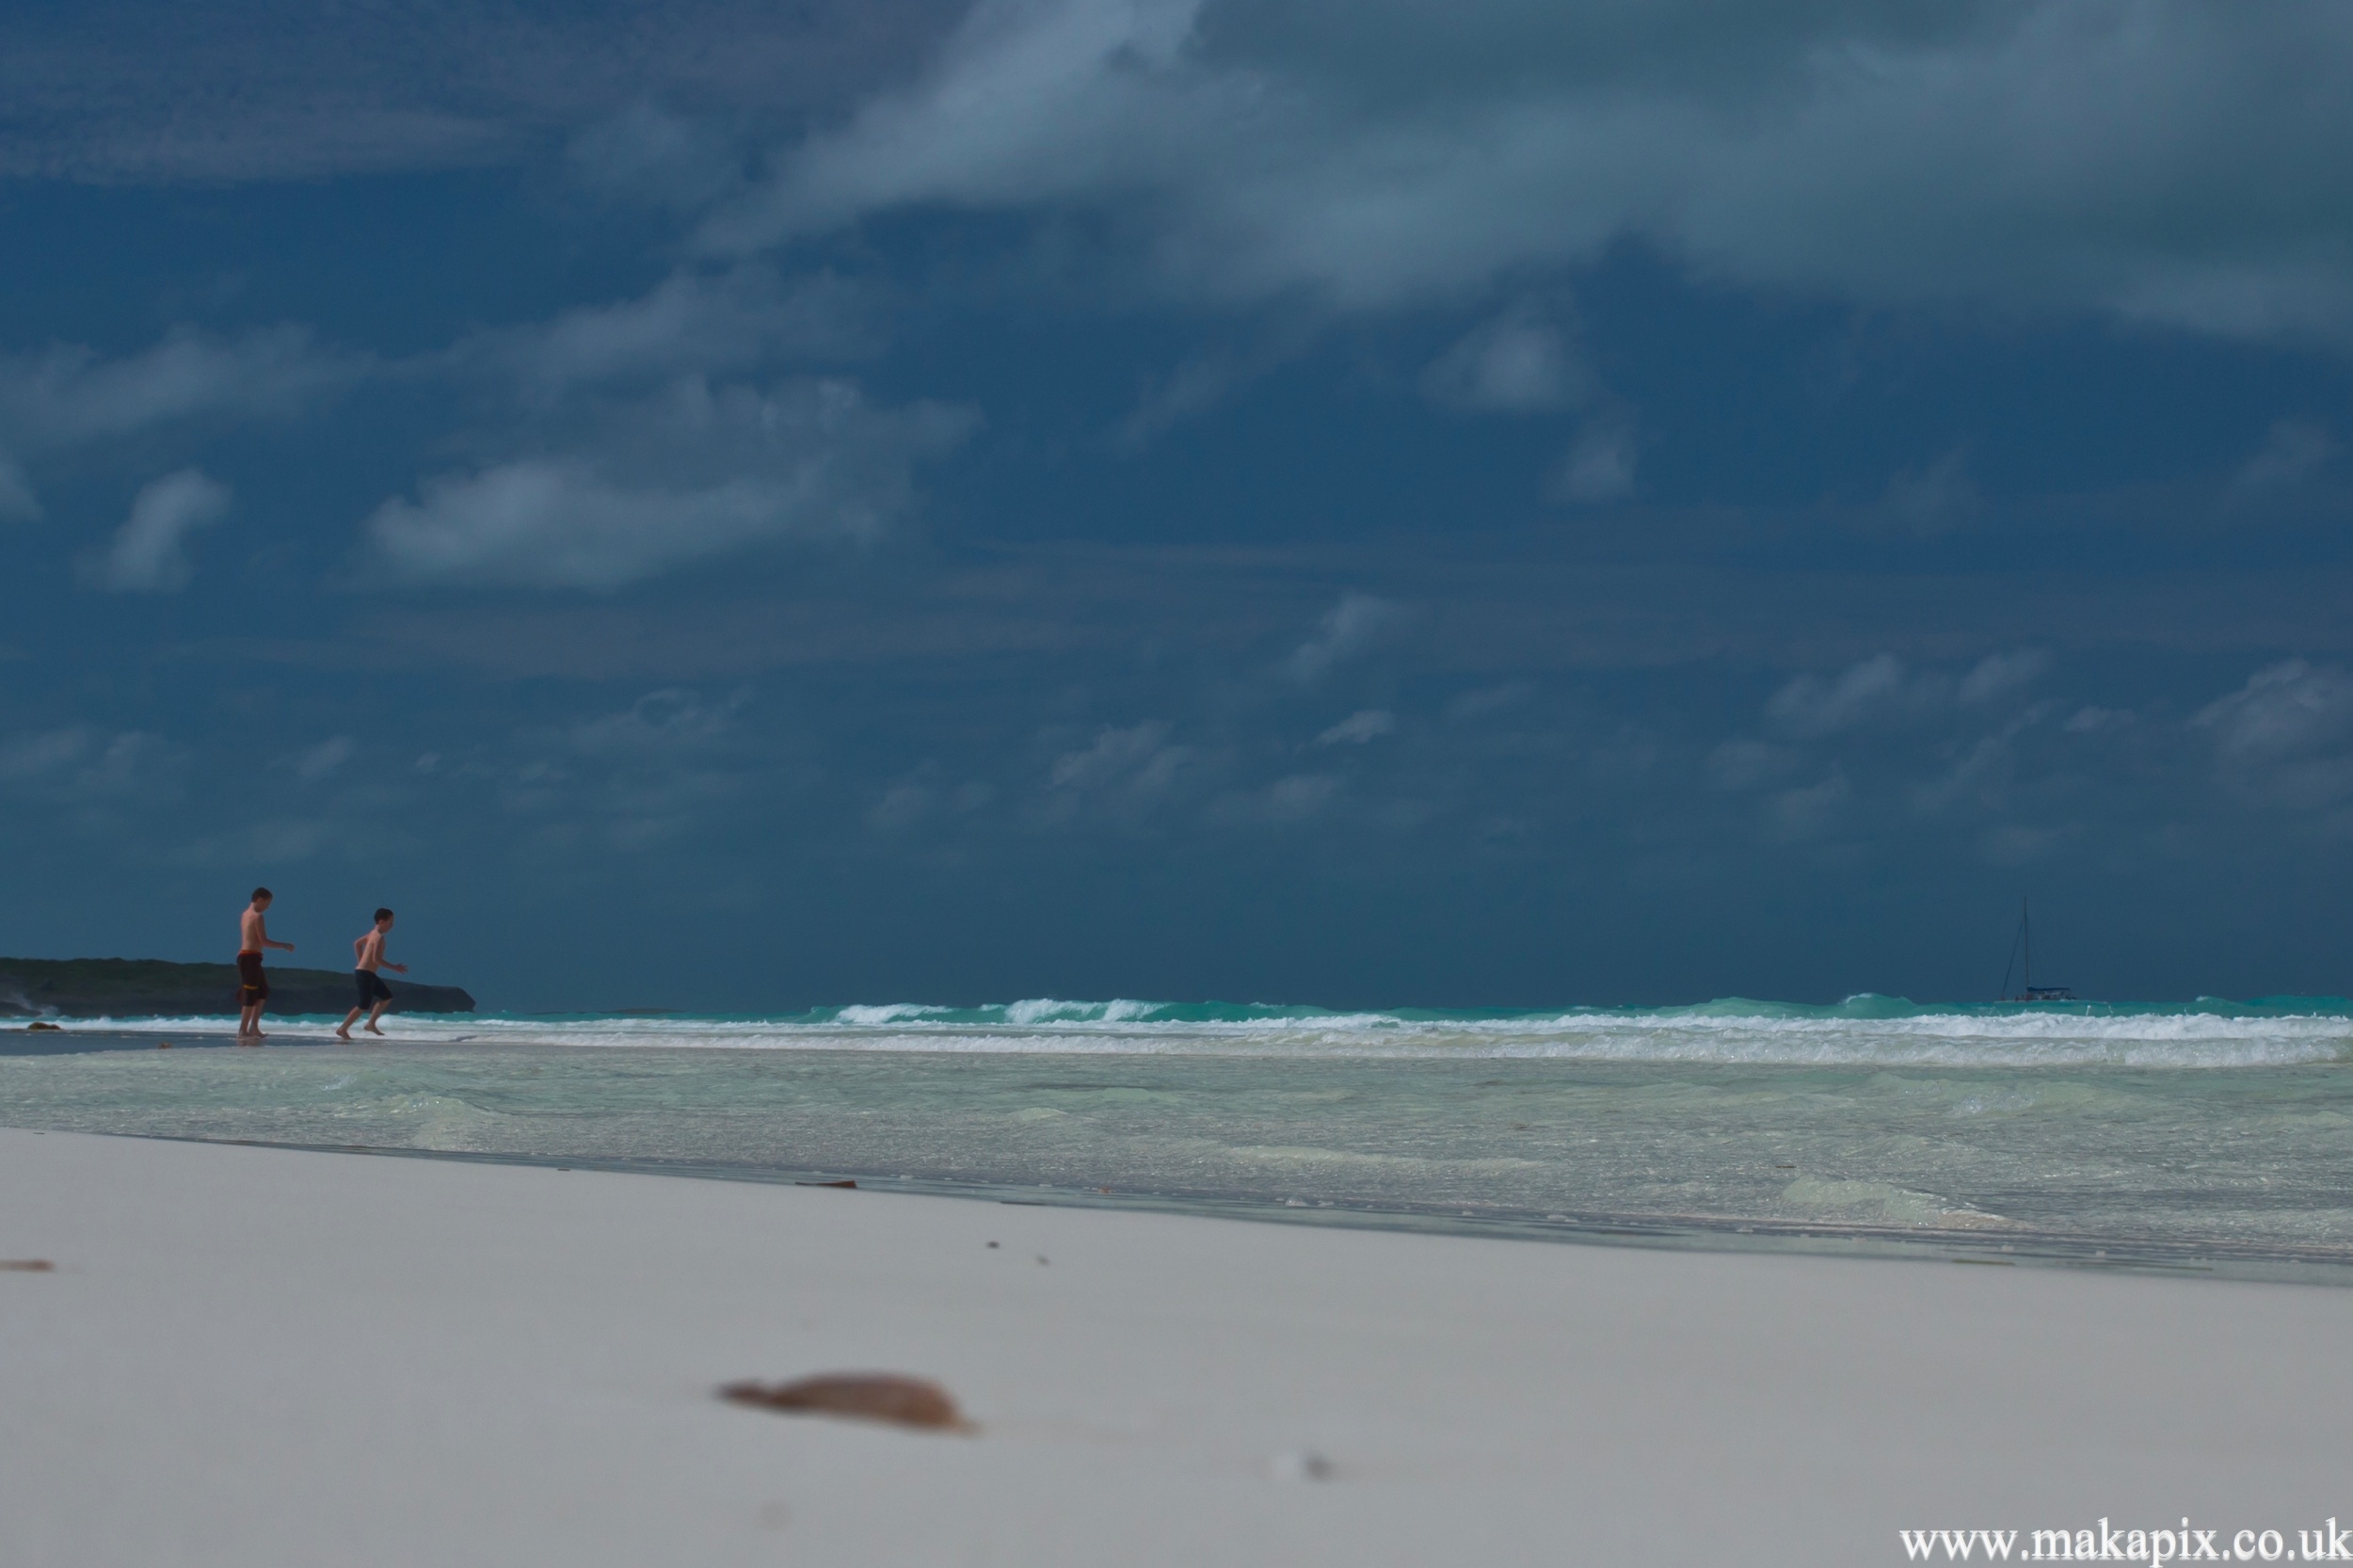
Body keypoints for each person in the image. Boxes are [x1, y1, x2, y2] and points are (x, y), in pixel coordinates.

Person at [336, 908, 408, 1041]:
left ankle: (370, 1023)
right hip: (364, 974)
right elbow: (376, 959)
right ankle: (342, 1029)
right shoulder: (379, 937)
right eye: (390, 923)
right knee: (363, 1004)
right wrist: (395, 967)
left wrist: (360, 961)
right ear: (381, 922)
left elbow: (357, 944)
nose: (392, 926)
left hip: (367, 973)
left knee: (386, 997)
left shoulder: (372, 933)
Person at [236, 888, 295, 1043]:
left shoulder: (244, 915)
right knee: (250, 994)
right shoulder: (257, 916)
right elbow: (263, 941)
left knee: (263, 992)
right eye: (268, 903)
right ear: (260, 900)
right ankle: (243, 1030)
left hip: (251, 958)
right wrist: (284, 945)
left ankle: (253, 1027)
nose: (268, 907)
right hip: (249, 957)